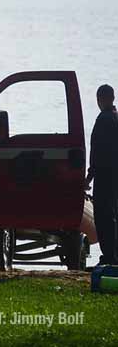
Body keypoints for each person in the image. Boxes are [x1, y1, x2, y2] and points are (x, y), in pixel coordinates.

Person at [86, 84, 118, 266]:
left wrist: (88, 178)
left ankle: (109, 257)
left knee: (104, 217)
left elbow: (97, 153)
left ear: (100, 99)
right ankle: (114, 256)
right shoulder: (115, 117)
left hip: (104, 176)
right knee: (114, 215)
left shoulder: (103, 119)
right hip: (115, 176)